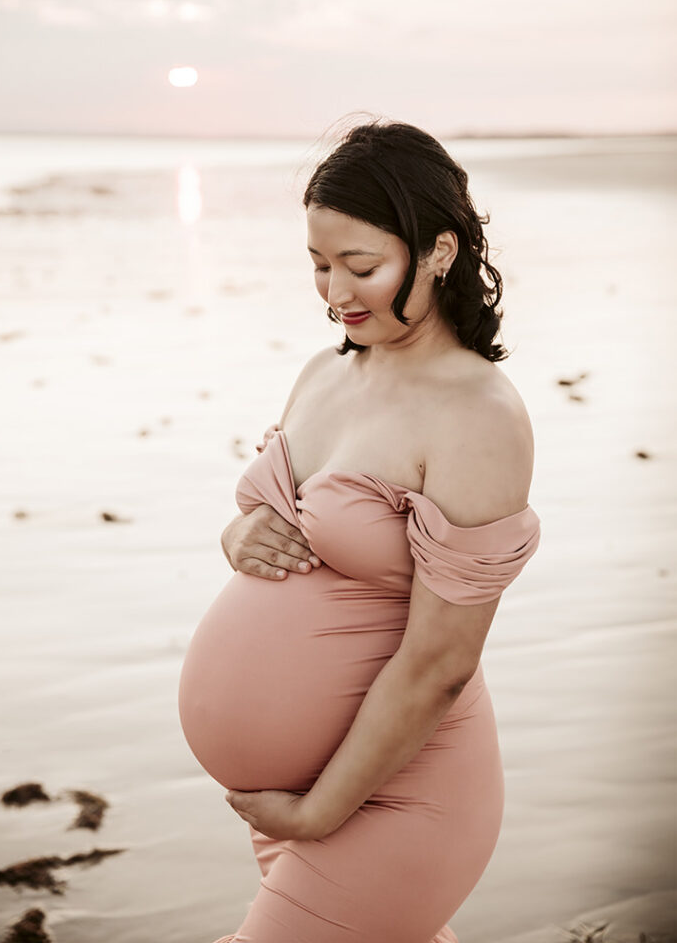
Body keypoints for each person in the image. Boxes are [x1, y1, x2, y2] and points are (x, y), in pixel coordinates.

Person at [178, 119, 541, 942]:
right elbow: (274, 525)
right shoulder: (323, 372)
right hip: (298, 794)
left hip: (392, 795)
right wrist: (237, 540)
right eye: (317, 264)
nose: (334, 293)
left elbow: (442, 662)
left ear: (438, 253)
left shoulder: (475, 414)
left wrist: (317, 813)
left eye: (361, 266)